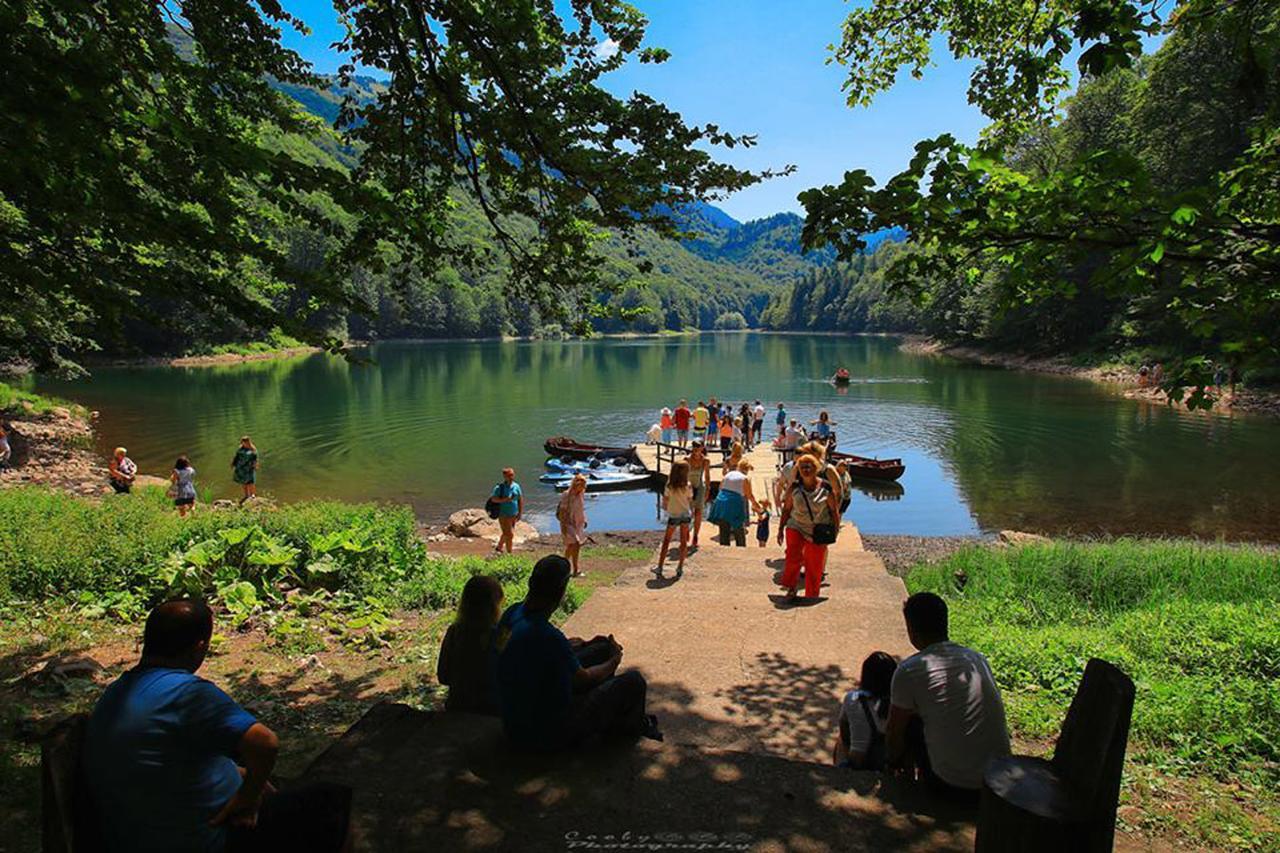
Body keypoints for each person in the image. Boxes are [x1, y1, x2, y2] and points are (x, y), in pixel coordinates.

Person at [84, 599, 353, 853]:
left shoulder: (118, 692)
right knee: (330, 800)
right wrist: (246, 800)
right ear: (200, 647)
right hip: (206, 841)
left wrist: (245, 778)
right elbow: (265, 744)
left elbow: (165, 753)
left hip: (137, 836)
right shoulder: (187, 693)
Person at [494, 555, 661, 750]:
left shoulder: (512, 613)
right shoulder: (548, 636)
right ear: (561, 591)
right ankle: (627, 730)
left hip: (514, 720)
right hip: (546, 732)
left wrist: (582, 645)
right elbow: (583, 678)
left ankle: (609, 719)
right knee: (634, 681)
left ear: (531, 583)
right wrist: (615, 660)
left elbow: (515, 648)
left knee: (600, 649)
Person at [886, 592, 1011, 802]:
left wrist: (891, 760)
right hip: (998, 782)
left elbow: (893, 732)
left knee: (907, 721)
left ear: (911, 630)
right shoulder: (976, 659)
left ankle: (905, 780)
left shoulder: (909, 670)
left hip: (952, 786)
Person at [776, 453, 840, 601]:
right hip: (796, 525)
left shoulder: (825, 488)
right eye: (802, 467)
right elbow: (786, 509)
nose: (805, 469)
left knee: (814, 564)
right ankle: (791, 588)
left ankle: (812, 594)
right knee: (793, 556)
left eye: (809, 466)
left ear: (816, 468)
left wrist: (835, 530)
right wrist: (780, 529)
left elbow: (833, 511)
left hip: (817, 530)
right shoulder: (794, 487)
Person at [437, 575, 503, 714]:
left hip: (458, 707)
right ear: (494, 605)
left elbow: (443, 676)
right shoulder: (500, 635)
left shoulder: (455, 632)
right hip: (492, 710)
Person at [833, 651, 898, 769]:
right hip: (890, 763)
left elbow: (843, 725)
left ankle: (838, 773)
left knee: (841, 738)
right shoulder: (900, 701)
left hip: (858, 761)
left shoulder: (854, 699)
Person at [708, 459, 759, 547]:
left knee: (724, 529)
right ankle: (741, 550)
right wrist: (757, 506)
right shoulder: (745, 478)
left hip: (721, 501)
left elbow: (720, 488)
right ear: (747, 470)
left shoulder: (729, 474)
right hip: (734, 502)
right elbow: (749, 495)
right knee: (738, 529)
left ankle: (724, 550)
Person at [657, 461, 692, 576]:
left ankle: (660, 567)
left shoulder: (669, 485)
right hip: (685, 514)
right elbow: (689, 499)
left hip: (673, 515)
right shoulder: (688, 484)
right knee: (683, 542)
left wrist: (665, 509)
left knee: (667, 540)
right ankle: (680, 567)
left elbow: (665, 500)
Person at [557, 474, 588, 577]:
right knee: (576, 543)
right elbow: (562, 511)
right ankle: (575, 570)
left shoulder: (581, 493)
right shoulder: (567, 495)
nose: (583, 487)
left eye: (584, 485)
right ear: (576, 484)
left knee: (571, 546)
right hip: (568, 523)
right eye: (582, 485)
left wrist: (585, 519)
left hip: (579, 523)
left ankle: (563, 566)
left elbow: (581, 507)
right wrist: (564, 526)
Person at [490, 467, 523, 554]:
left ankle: (499, 547)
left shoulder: (516, 486)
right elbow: (493, 499)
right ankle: (509, 553)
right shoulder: (499, 488)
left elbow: (520, 499)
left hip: (513, 514)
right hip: (503, 514)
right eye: (509, 475)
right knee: (509, 534)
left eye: (512, 474)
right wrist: (504, 500)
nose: (512, 476)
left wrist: (520, 512)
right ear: (505, 476)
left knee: (506, 533)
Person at [686, 441, 712, 548]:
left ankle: (695, 535)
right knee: (688, 513)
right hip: (689, 487)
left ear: (702, 448)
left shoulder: (705, 460)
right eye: (694, 447)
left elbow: (707, 477)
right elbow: (683, 475)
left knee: (698, 512)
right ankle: (687, 531)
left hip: (700, 487)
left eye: (698, 447)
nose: (696, 449)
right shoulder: (687, 459)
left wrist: (707, 491)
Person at [231, 436, 258, 506]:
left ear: (248, 442)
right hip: (241, 468)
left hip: (249, 468)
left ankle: (252, 494)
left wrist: (255, 465)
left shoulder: (253, 449)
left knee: (251, 482)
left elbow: (255, 458)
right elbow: (236, 457)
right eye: (243, 443)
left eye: (245, 442)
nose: (244, 444)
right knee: (243, 482)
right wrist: (233, 464)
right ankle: (246, 495)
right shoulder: (240, 449)